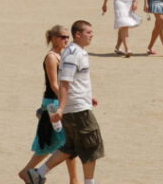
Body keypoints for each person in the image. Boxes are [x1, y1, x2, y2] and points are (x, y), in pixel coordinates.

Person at [23, 20, 104, 184]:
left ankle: (40, 173)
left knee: (69, 147)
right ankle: (34, 172)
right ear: (78, 35)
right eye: (88, 32)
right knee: (89, 144)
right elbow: (62, 83)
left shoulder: (74, 53)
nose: (92, 35)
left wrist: (87, 97)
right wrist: (60, 107)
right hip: (71, 107)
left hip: (73, 105)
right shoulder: (69, 55)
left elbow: (73, 82)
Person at [18, 25, 81, 184]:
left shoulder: (65, 55)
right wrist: (67, 100)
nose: (66, 40)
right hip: (53, 103)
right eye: (62, 37)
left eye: (67, 37)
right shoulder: (51, 57)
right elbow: (54, 84)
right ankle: (27, 171)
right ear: (53, 38)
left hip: (61, 101)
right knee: (55, 141)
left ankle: (74, 179)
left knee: (65, 141)